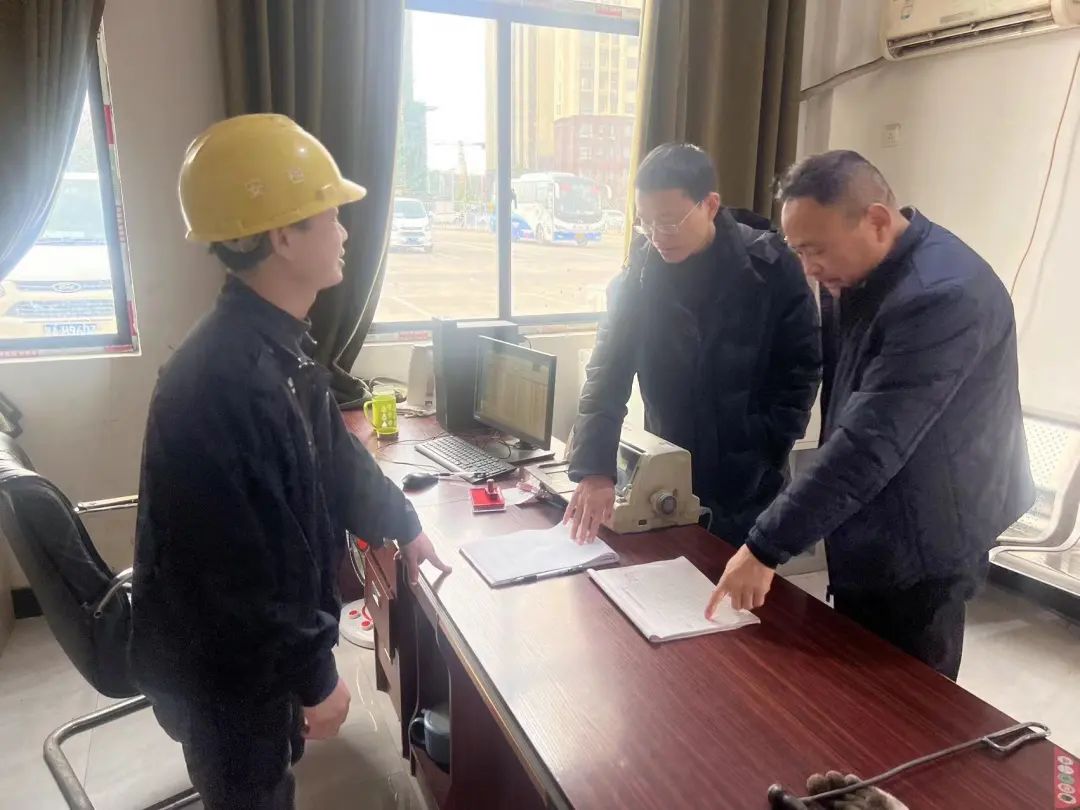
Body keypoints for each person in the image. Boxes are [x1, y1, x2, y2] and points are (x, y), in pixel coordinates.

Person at [130, 114, 451, 809]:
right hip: (222, 667)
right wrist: (313, 673)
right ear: (281, 236)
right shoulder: (222, 383)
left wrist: (402, 522)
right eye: (330, 215)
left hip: (244, 650)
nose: (344, 232)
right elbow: (237, 571)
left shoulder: (275, 348)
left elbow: (335, 457)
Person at [707, 150, 1033, 680]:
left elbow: (871, 440)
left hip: (930, 527)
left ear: (877, 220)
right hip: (876, 512)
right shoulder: (861, 273)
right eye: (798, 251)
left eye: (816, 250)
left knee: (908, 688)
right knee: (855, 669)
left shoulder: (942, 297)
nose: (809, 269)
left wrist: (765, 546)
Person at [564, 143, 821, 544]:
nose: (656, 236)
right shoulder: (640, 277)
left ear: (710, 205)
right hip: (670, 470)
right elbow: (606, 372)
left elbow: (802, 368)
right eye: (645, 222)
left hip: (751, 483)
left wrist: (764, 445)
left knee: (741, 581)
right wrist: (595, 470)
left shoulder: (771, 269)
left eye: (668, 222)